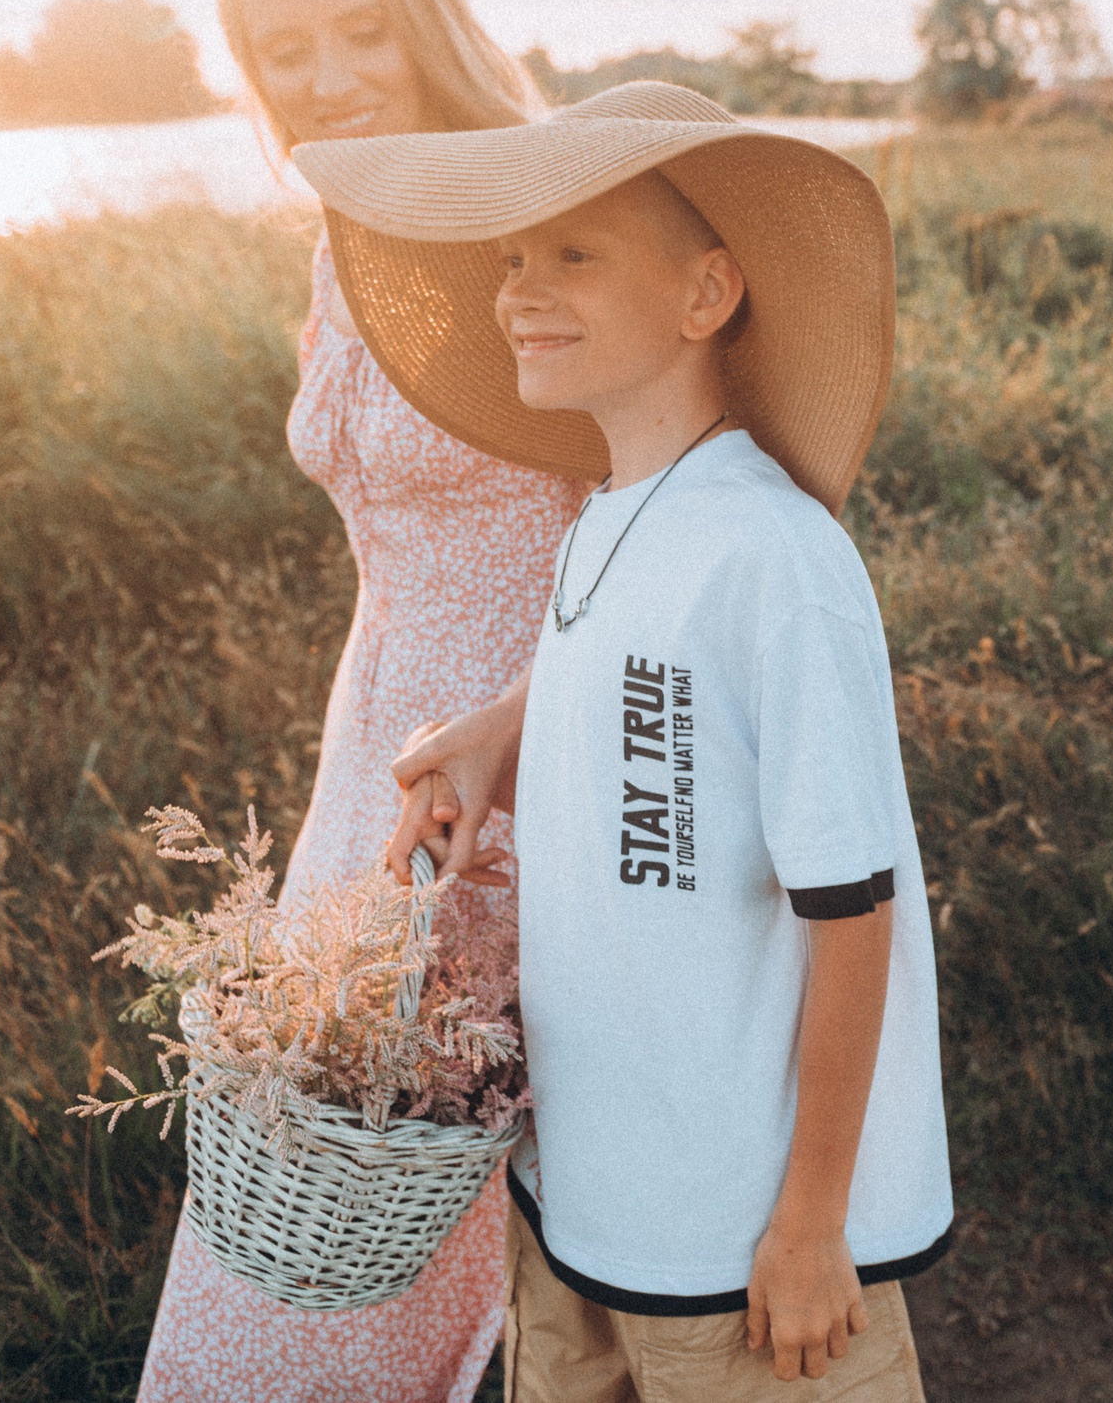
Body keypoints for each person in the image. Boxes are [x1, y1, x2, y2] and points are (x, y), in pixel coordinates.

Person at [291, 81, 952, 1400]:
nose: (519, 290)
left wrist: (814, 1225)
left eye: (576, 254)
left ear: (707, 294)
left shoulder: (773, 554)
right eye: (514, 258)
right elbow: (641, 700)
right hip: (583, 1191)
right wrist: (500, 737)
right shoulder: (610, 514)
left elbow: (855, 904)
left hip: (745, 1236)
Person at [136, 0, 584, 1403]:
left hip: (522, 765)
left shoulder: (544, 212)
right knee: (313, 1168)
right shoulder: (347, 230)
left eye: (362, 30)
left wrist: (529, 713)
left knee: (451, 1183)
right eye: (285, 52)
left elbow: (676, 527)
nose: (326, 79)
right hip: (373, 762)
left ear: (430, 20)